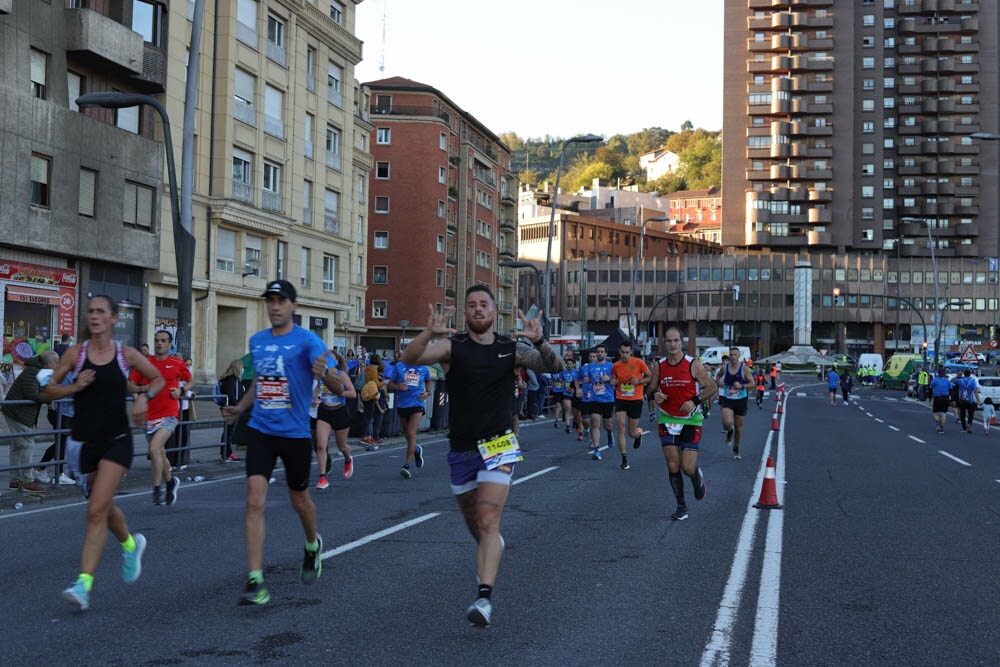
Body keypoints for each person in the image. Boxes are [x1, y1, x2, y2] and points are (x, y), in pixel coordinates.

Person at [401, 286, 564, 628]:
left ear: (493, 311)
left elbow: (555, 366)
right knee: (476, 525)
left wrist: (539, 341)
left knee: (489, 520)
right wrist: (429, 332)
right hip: (461, 449)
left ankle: (484, 598)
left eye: (484, 304)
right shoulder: (452, 347)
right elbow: (410, 359)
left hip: (499, 444)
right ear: (465, 313)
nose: (478, 310)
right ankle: (491, 546)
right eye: (471, 305)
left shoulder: (510, 348)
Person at [46, 295, 165, 611]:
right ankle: (130, 544)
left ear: (113, 319)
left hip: (117, 440)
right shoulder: (74, 354)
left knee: (96, 508)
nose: (94, 316)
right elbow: (48, 391)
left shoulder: (126, 355)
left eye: (101, 311)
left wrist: (143, 398)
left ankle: (83, 586)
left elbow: (158, 378)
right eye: (91, 312)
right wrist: (75, 386)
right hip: (84, 443)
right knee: (103, 504)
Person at [221, 280, 336, 606]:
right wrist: (240, 408)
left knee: (300, 502)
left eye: (281, 300)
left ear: (293, 306)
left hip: (295, 435)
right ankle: (255, 579)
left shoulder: (306, 341)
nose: (274, 306)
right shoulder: (258, 342)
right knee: (254, 501)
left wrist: (322, 371)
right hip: (261, 430)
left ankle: (312, 544)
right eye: (270, 300)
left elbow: (332, 379)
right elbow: (261, 381)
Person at [648, 327, 717, 522]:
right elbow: (650, 389)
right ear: (665, 344)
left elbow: (712, 387)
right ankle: (681, 506)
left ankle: (696, 479)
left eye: (676, 340)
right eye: (669, 341)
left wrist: (695, 401)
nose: (672, 344)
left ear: (682, 342)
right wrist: (655, 395)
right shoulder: (659, 366)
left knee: (687, 467)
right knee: (673, 465)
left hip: (690, 419)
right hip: (667, 418)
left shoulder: (693, 365)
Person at [129, 330, 190, 505]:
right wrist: (139, 394)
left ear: (170, 345)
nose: (159, 343)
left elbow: (190, 380)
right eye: (156, 340)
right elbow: (131, 384)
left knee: (155, 449)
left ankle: (156, 489)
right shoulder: (146, 363)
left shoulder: (176, 362)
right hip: (150, 415)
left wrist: (181, 390)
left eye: (163, 341)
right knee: (160, 454)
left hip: (170, 414)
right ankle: (170, 481)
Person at [2, 351, 59, 492]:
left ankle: (15, 480)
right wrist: (49, 399)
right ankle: (27, 480)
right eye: (56, 362)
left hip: (17, 411)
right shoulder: (33, 372)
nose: (58, 365)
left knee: (17, 446)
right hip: (17, 412)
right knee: (28, 445)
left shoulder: (42, 371)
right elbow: (32, 394)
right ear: (49, 362)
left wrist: (49, 396)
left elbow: (45, 389)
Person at [314, 351, 356, 488]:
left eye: (331, 357)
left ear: (336, 360)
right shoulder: (321, 375)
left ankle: (348, 458)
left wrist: (339, 392)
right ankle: (322, 477)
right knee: (320, 445)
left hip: (340, 411)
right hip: (324, 411)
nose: (328, 360)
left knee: (341, 446)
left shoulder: (341, 375)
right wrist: (313, 399)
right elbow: (315, 391)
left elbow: (353, 393)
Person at [611, 340, 650, 470]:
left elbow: (650, 377)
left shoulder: (639, 363)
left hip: (635, 399)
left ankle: (638, 434)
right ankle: (624, 459)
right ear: (619, 351)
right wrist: (613, 381)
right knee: (620, 426)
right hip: (621, 398)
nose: (625, 355)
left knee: (631, 433)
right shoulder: (616, 365)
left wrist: (639, 381)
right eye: (622, 352)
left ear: (631, 352)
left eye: (627, 353)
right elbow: (613, 379)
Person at [389, 357, 431, 478]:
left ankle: (406, 465)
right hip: (403, 404)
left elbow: (428, 381)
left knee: (411, 433)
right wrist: (398, 387)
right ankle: (417, 450)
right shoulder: (399, 366)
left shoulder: (423, 367)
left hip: (417, 403)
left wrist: (428, 392)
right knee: (407, 435)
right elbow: (390, 383)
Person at [715, 346, 754, 460]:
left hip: (741, 400)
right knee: (727, 422)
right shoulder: (724, 367)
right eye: (731, 355)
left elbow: (752, 384)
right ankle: (729, 431)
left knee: (738, 427)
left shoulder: (744, 369)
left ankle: (736, 448)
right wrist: (718, 383)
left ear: (739, 356)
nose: (733, 357)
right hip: (728, 398)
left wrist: (742, 386)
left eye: (735, 355)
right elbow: (717, 376)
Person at [584, 344, 615, 460]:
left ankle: (609, 433)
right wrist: (586, 380)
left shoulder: (611, 367)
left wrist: (609, 379)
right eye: (598, 352)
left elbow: (616, 381)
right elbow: (586, 379)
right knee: (595, 422)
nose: (600, 353)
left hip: (607, 399)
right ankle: (596, 450)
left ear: (606, 354)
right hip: (595, 399)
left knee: (607, 424)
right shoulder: (590, 367)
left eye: (602, 351)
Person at [217, 359, 246, 462]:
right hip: (231, 408)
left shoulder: (233, 380)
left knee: (229, 431)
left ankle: (226, 452)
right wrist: (237, 406)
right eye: (242, 367)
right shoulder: (231, 380)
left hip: (232, 407)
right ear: (238, 368)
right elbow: (231, 395)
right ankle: (226, 453)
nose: (243, 369)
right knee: (228, 431)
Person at [360, 355, 386, 448]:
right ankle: (366, 436)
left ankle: (367, 435)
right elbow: (376, 383)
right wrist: (385, 382)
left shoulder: (367, 368)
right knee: (369, 416)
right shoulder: (374, 370)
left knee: (367, 415)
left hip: (365, 392)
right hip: (371, 393)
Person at [929, 368, 954, 435]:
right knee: (943, 414)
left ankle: (937, 422)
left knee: (935, 413)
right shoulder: (947, 381)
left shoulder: (935, 380)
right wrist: (952, 400)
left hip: (937, 398)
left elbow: (930, 389)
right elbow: (951, 390)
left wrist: (930, 398)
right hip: (946, 398)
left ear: (938, 373)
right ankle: (942, 427)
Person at [954, 368, 980, 434]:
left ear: (964, 374)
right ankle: (969, 424)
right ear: (970, 374)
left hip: (962, 400)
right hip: (970, 400)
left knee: (962, 414)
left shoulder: (960, 380)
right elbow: (975, 391)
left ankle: (964, 428)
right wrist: (978, 399)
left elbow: (952, 381)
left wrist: (957, 375)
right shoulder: (972, 381)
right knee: (971, 413)